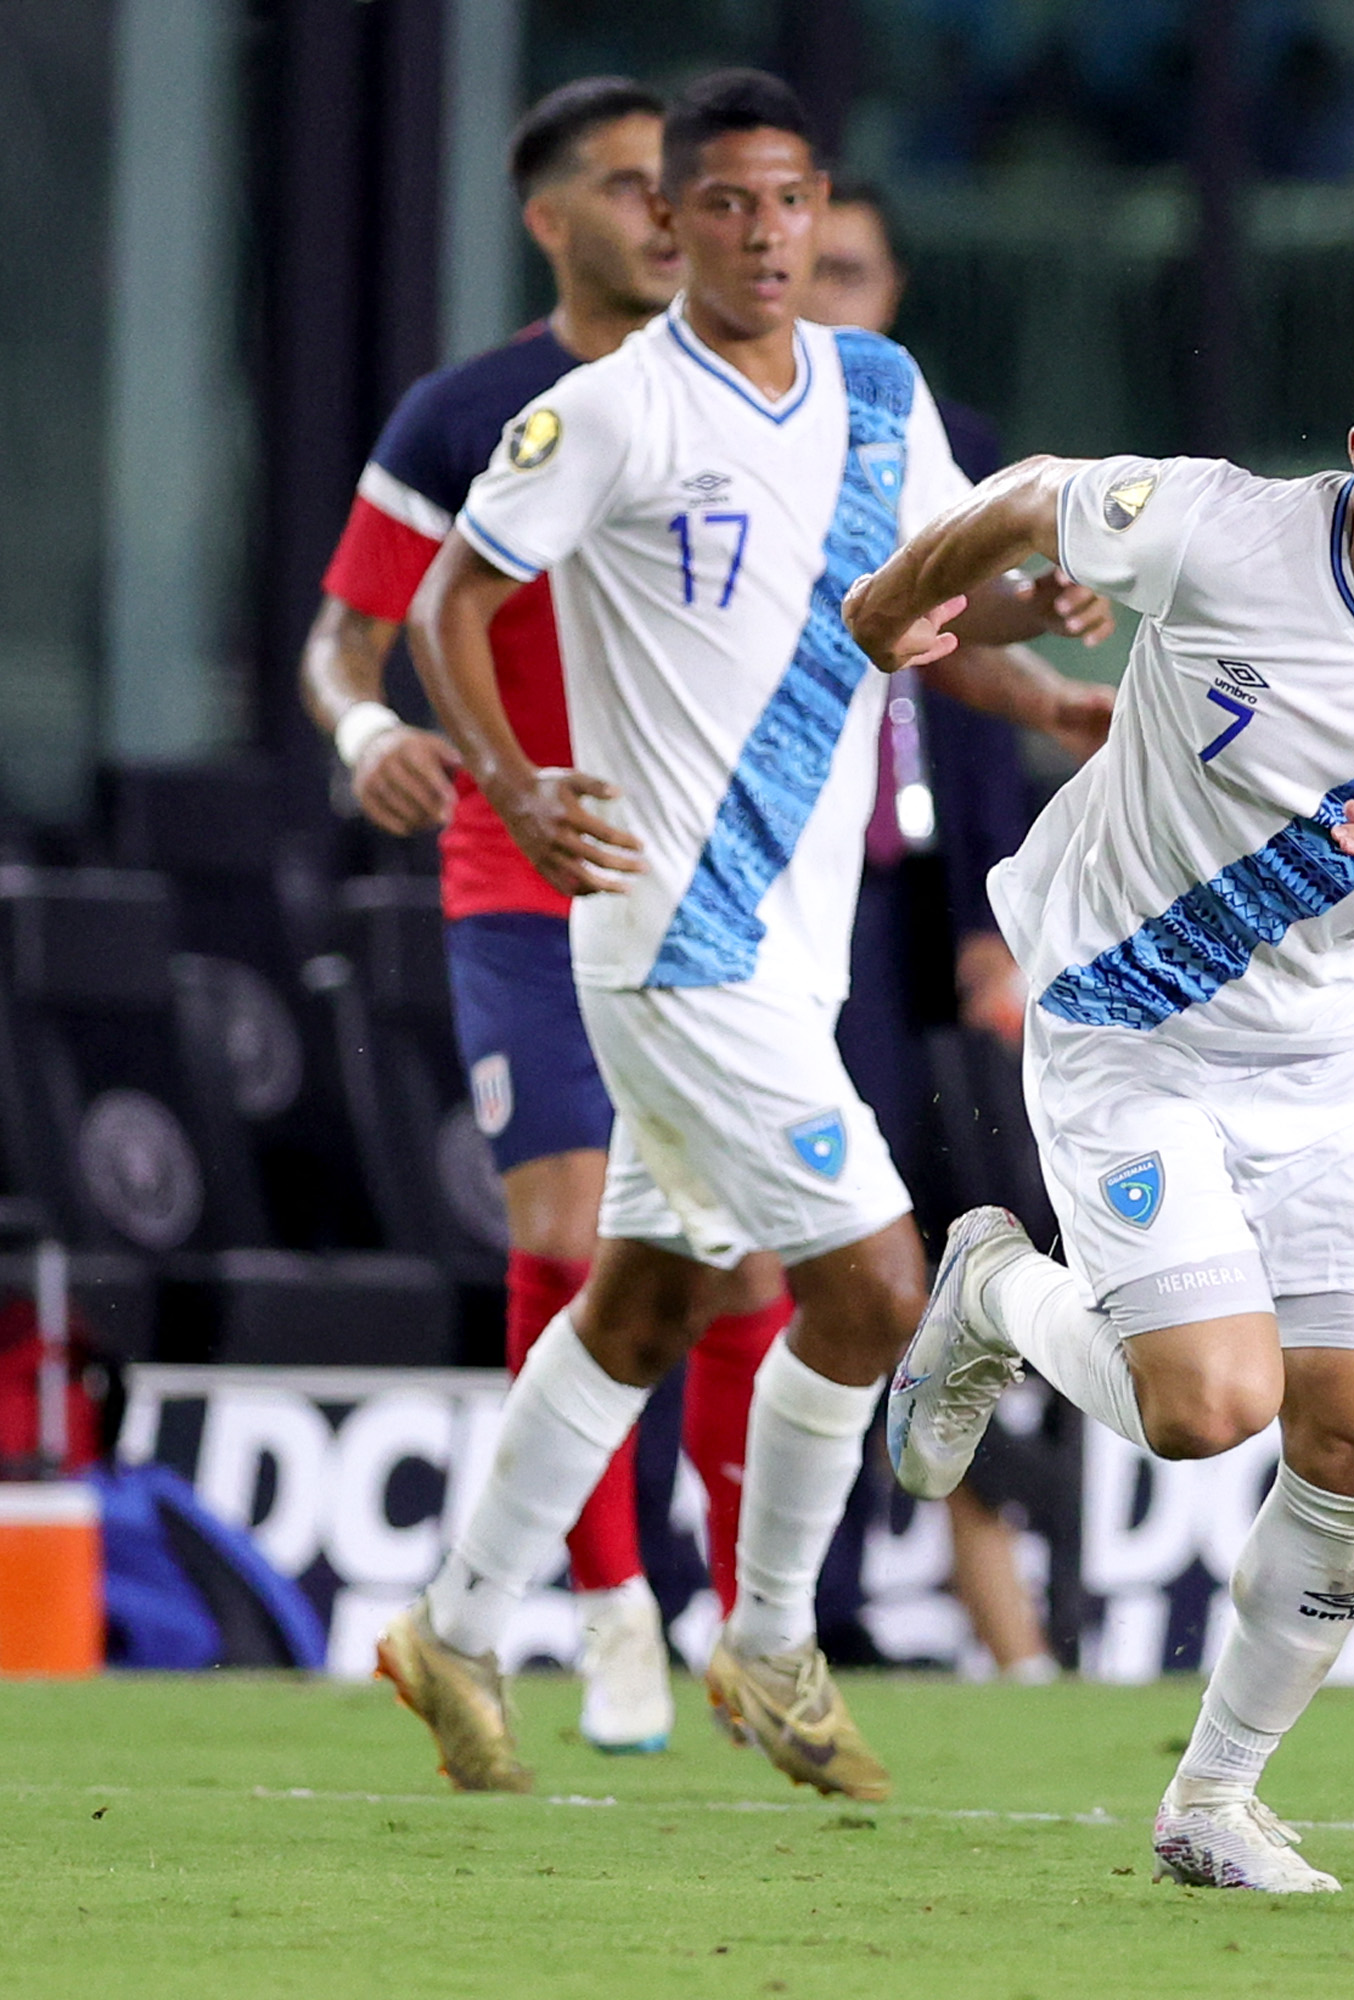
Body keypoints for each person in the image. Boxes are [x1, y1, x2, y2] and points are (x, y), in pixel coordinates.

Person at [373, 69, 1112, 1802]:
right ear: (671, 222)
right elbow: (447, 599)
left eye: (793, 203)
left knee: (644, 1303)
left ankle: (457, 1625)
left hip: (799, 938)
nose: (766, 233)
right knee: (872, 1283)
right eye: (727, 204)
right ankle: (770, 1639)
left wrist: (1038, 625)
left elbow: (929, 596)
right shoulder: (616, 411)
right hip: (671, 932)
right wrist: (516, 781)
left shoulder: (877, 391)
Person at [848, 294, 1354, 1890]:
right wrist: (894, 602)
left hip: (1329, 1049)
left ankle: (1211, 1801)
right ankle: (994, 1289)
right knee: (1210, 1408)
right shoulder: (1216, 529)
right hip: (1123, 1009)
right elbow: (1028, 493)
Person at [304, 75, 797, 1756]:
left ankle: (748, 1610)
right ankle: (611, 1609)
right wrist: (373, 730)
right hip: (524, 876)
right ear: (548, 219)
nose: (672, 213)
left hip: (722, 889)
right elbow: (346, 639)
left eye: (686, 186)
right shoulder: (466, 413)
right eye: (628, 186)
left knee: (738, 1260)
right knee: (565, 1232)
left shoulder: (764, 402)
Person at [799, 172, 1074, 1681]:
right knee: (820, 1238)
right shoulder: (741, 445)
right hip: (795, 892)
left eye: (852, 268)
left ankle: (870, 1600)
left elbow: (963, 713)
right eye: (809, 268)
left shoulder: (946, 450)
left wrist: (989, 918)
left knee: (925, 1245)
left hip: (913, 907)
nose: (829, 293)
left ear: (890, 292)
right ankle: (789, 1601)